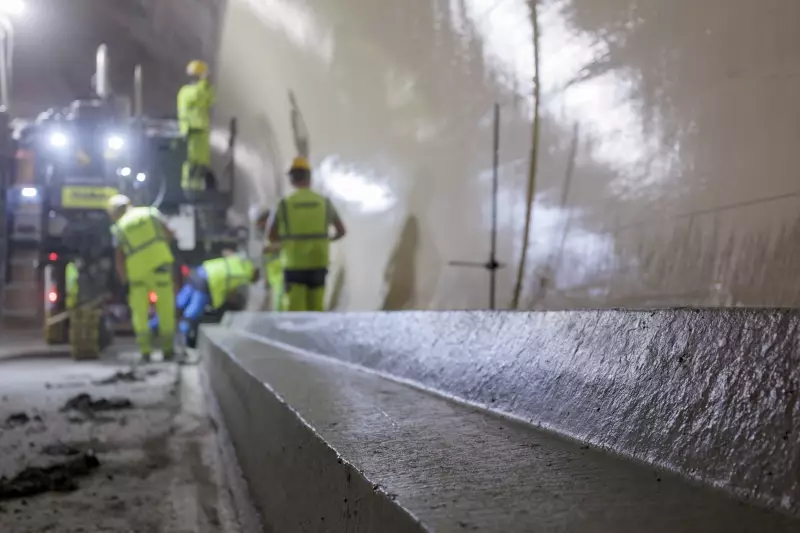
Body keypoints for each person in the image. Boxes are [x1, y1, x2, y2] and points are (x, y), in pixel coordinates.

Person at [268, 156, 346, 312]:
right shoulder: (324, 202)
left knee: (295, 311)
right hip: (318, 262)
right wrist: (324, 240)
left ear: (292, 179)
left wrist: (284, 243)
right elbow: (341, 231)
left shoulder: (284, 204)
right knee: (317, 309)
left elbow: (271, 235)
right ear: (309, 177)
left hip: (293, 264)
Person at [107, 194, 176, 361]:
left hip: (137, 274)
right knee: (165, 308)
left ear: (114, 214)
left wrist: (124, 281)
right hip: (160, 267)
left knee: (139, 312)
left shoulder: (119, 228)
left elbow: (119, 259)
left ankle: (145, 351)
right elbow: (169, 234)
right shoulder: (151, 213)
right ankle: (167, 350)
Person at [150, 251, 259, 347]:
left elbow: (228, 253)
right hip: (207, 284)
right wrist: (218, 302)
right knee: (190, 315)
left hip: (200, 272)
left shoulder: (243, 261)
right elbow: (230, 294)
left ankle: (150, 327)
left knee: (176, 306)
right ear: (253, 277)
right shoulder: (243, 277)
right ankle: (181, 344)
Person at [177, 60, 215, 193]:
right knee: (191, 164)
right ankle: (188, 191)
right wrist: (204, 82)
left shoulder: (201, 89)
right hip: (191, 132)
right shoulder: (186, 91)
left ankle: (198, 191)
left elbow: (210, 98)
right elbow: (198, 96)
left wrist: (206, 84)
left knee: (201, 164)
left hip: (201, 132)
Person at [255, 208, 284, 311]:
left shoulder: (279, 233)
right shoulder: (266, 239)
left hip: (283, 276)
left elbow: (285, 246)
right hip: (274, 279)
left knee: (280, 304)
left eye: (261, 224)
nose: (260, 227)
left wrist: (273, 248)